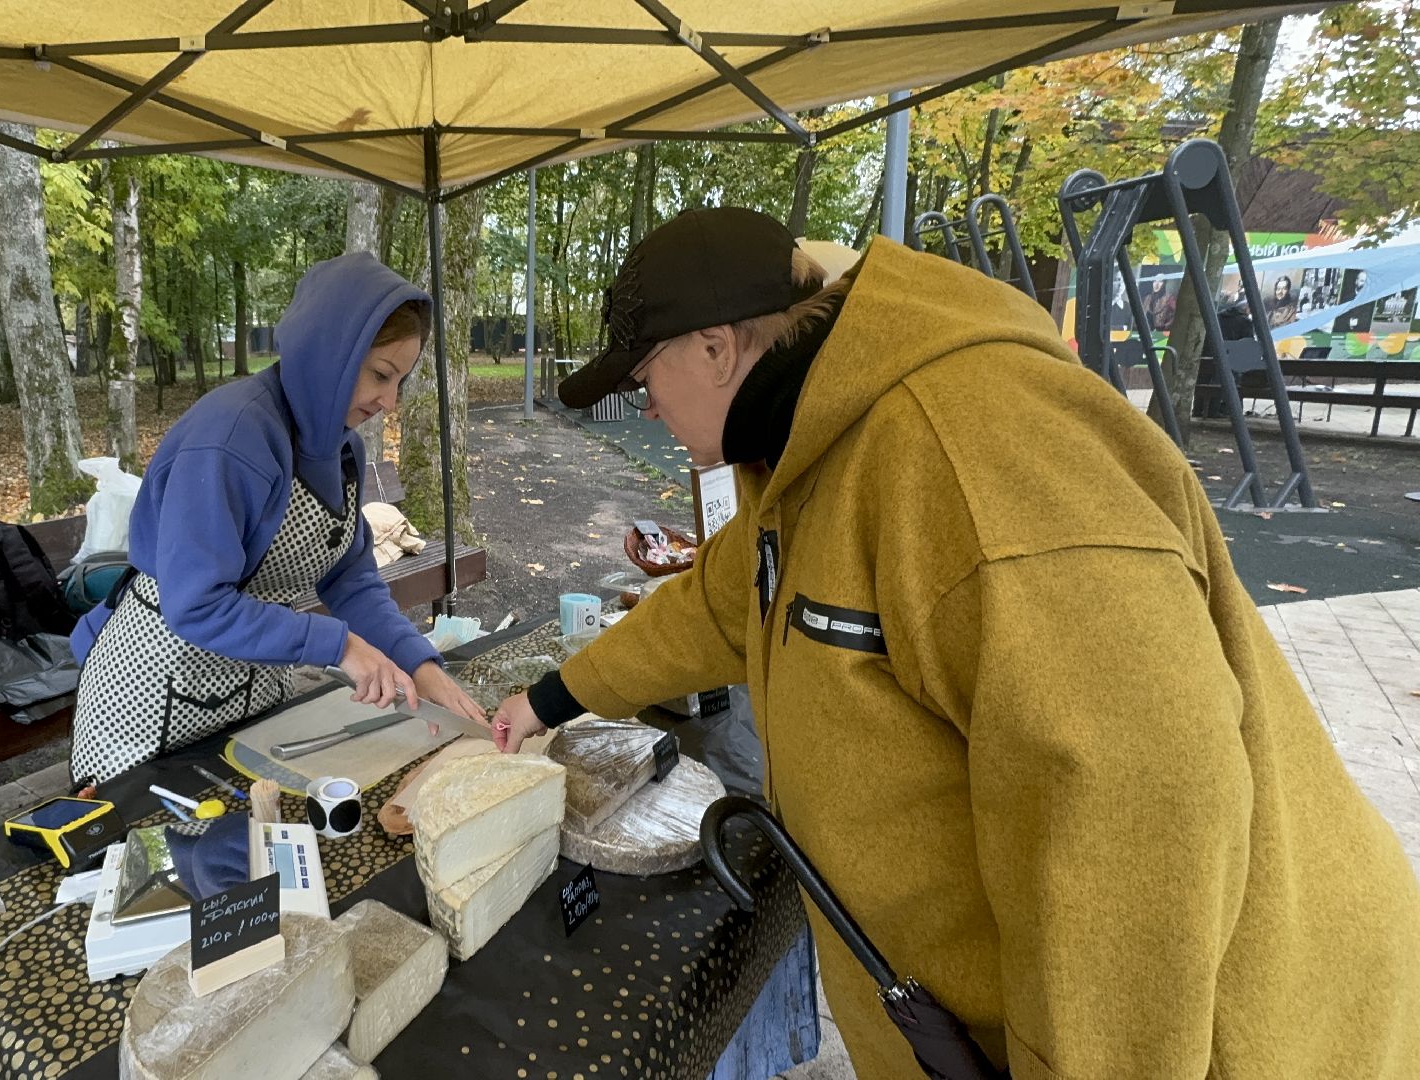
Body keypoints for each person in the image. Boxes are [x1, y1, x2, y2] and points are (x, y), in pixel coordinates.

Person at [494, 207, 1420, 1078]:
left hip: (1216, 1040)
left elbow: (1137, 815)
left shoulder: (976, 447)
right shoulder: (809, 444)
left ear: (715, 346)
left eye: (643, 377)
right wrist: (550, 699)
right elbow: (720, 602)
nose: (645, 404)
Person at [68, 252, 486, 783]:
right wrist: (340, 645)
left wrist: (418, 663)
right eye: (381, 375)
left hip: (253, 693)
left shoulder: (342, 450)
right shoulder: (231, 438)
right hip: (152, 701)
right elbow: (197, 604)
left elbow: (351, 580)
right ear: (330, 354)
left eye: (399, 382)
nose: (390, 401)